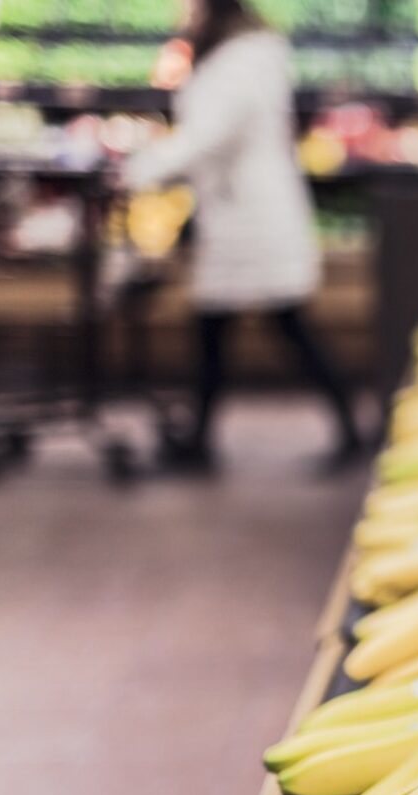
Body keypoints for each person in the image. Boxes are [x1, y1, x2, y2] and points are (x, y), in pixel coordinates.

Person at [122, 0, 363, 471]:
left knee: (281, 326)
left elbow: (208, 136)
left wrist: (141, 168)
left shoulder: (239, 62)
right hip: (240, 214)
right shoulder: (249, 55)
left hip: (251, 218)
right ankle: (202, 439)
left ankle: (347, 428)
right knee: (220, 328)